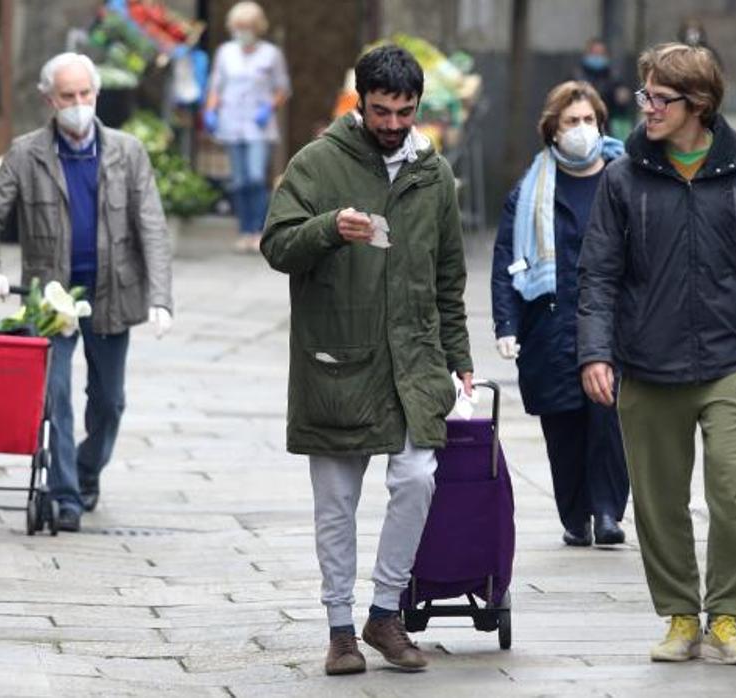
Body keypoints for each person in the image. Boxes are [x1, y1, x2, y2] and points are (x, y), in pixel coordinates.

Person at [577, 42, 736, 666]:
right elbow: (599, 274)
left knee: (732, 490)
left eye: (661, 99)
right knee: (658, 501)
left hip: (731, 361)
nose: (647, 109)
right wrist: (595, 353)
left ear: (701, 104)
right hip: (647, 363)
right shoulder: (622, 178)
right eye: (645, 96)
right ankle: (682, 615)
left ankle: (731, 616)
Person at [261, 45, 473, 677]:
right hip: (336, 359)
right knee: (336, 503)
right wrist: (329, 227)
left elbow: (448, 276)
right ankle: (338, 630)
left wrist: (459, 357)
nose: (392, 124)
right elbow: (276, 245)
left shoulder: (431, 172)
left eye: (404, 111)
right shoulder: (317, 162)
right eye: (381, 111)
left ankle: (384, 612)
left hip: (413, 361)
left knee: (415, 479)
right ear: (359, 102)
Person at [0, 52, 174, 533]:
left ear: (96, 94)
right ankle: (64, 496)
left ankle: (85, 472)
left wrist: (161, 297)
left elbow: (153, 228)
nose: (78, 104)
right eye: (67, 96)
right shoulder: (27, 153)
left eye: (85, 94)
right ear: (49, 99)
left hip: (112, 293)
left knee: (110, 401)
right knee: (54, 397)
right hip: (50, 299)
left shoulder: (127, 152)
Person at [491, 81, 630, 548]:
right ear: (552, 129)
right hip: (549, 323)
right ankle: (576, 515)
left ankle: (609, 510)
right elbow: (507, 259)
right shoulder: (529, 191)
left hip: (613, 323)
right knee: (565, 428)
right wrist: (506, 324)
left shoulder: (623, 178)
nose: (582, 129)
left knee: (610, 422)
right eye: (572, 121)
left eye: (589, 120)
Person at [205, 1, 290, 253]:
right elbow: (216, 86)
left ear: (256, 27)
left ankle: (259, 229)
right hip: (231, 122)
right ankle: (244, 230)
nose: (242, 31)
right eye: (238, 27)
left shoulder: (271, 54)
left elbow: (283, 89)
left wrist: (269, 108)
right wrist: (210, 111)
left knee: (255, 176)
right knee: (239, 181)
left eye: (247, 27)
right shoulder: (225, 52)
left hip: (258, 125)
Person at [574, 39, 632, 138]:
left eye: (601, 54)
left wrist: (623, 100)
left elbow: (622, 110)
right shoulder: (576, 77)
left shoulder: (614, 78)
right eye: (594, 53)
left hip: (606, 129)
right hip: (580, 127)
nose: (597, 57)